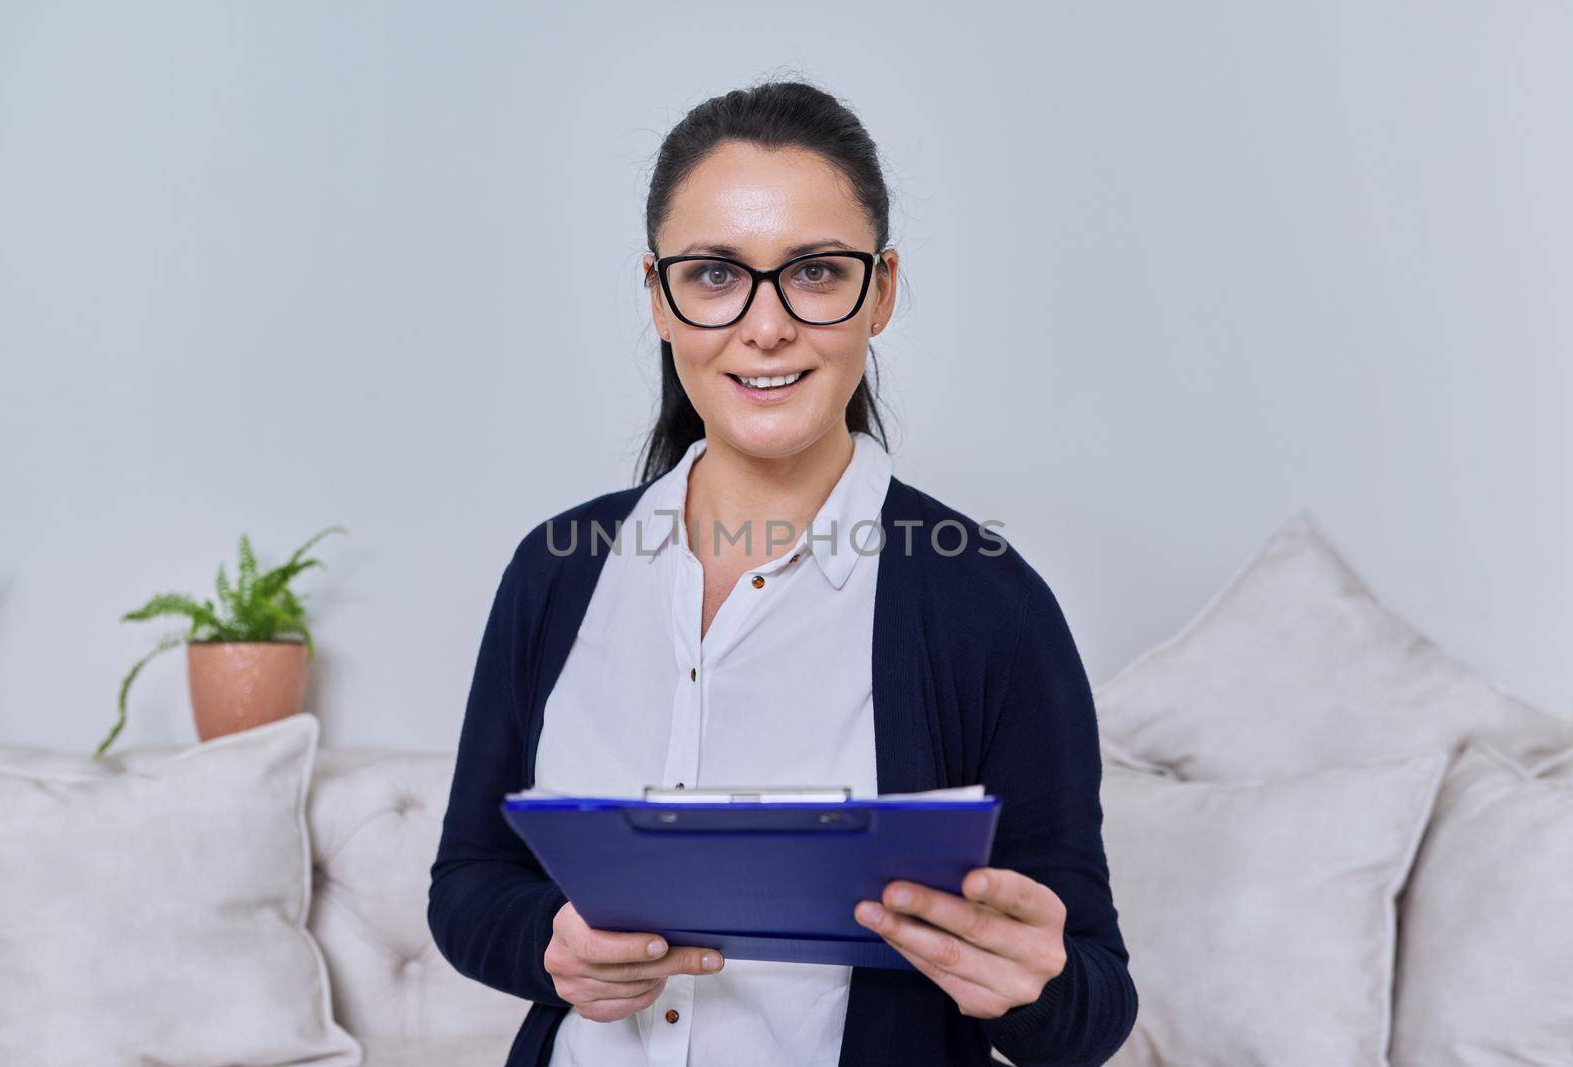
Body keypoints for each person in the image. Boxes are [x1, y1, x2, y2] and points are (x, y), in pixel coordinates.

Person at [428, 78, 1137, 1067]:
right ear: (658, 297)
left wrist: (1029, 986)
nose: (765, 325)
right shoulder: (557, 573)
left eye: (813, 271)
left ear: (879, 290)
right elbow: (468, 882)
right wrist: (552, 943)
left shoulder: (989, 603)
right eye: (715, 274)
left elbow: (1093, 1002)